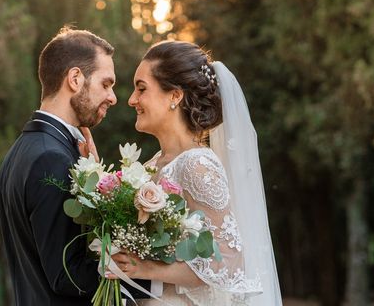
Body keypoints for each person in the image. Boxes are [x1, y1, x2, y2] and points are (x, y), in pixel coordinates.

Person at [113, 40, 282, 305]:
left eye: (141, 89)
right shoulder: (153, 164)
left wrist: (147, 269)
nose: (132, 100)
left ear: (175, 96)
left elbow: (229, 261)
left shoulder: (197, 165)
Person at [0, 27, 155, 305]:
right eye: (106, 84)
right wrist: (154, 277)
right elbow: (66, 275)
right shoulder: (51, 159)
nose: (113, 97)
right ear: (75, 78)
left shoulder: (23, 150)